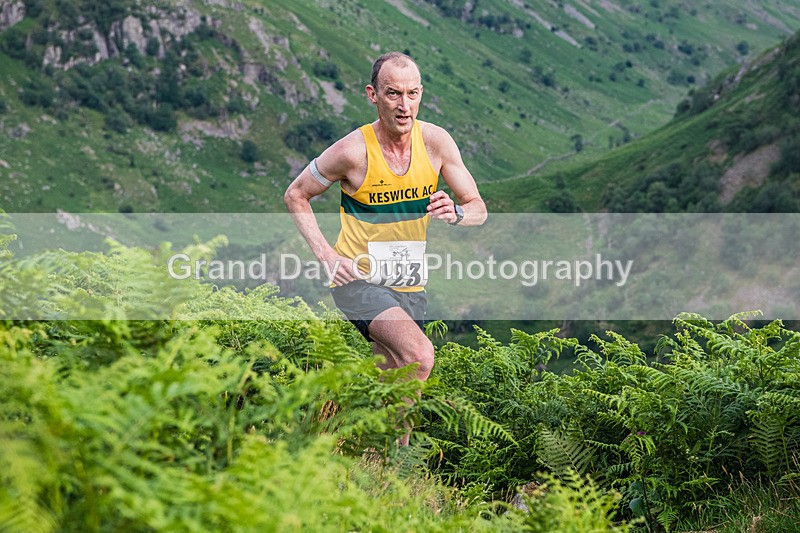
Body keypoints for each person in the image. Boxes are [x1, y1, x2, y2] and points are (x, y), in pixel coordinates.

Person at [284, 51, 486, 442]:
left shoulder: (436, 143)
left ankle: (376, 462)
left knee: (394, 383)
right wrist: (326, 255)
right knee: (421, 355)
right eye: (393, 93)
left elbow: (479, 208)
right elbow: (295, 194)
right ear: (372, 95)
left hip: (408, 285)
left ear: (421, 94)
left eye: (412, 94)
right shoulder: (352, 151)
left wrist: (457, 213)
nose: (404, 105)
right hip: (357, 281)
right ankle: (395, 465)